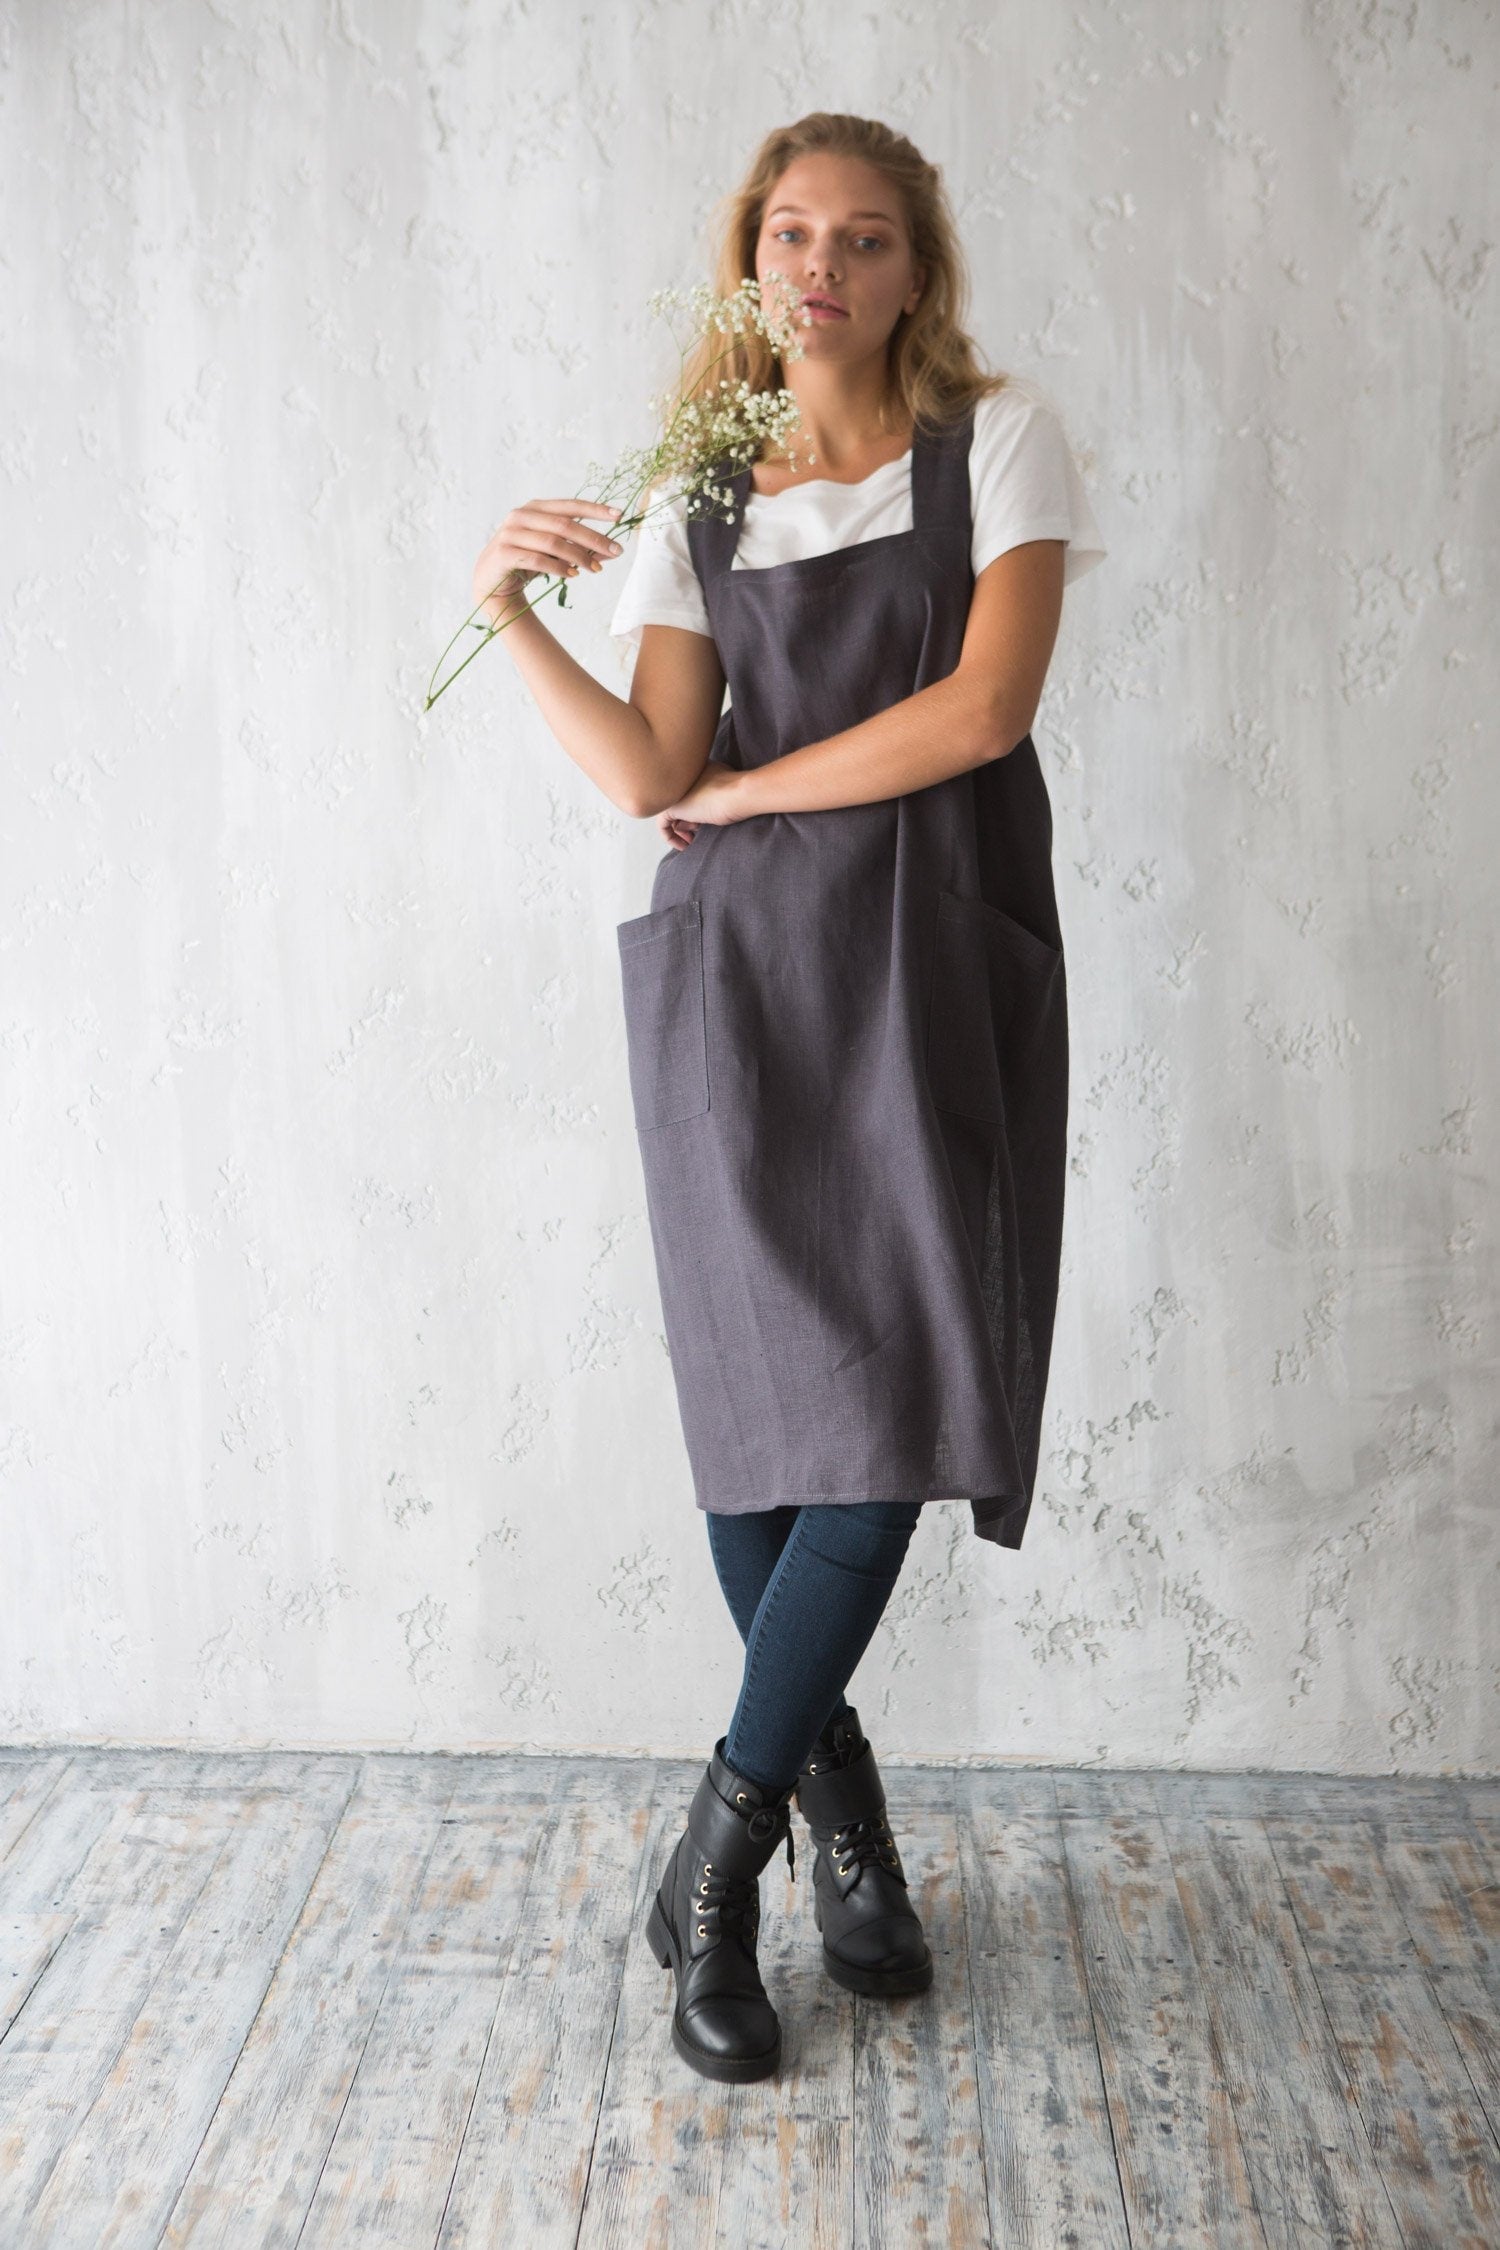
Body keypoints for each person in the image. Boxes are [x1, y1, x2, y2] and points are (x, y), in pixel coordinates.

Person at [469, 112, 1106, 2086]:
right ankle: (828, 1817)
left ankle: (717, 1864)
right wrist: (509, 622)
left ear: (918, 271)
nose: (820, 267)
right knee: (762, 1438)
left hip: (925, 972)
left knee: (891, 1417)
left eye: (865, 240)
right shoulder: (700, 488)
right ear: (753, 259)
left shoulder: (994, 446)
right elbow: (652, 762)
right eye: (790, 234)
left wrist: (747, 791)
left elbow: (985, 711)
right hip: (748, 990)